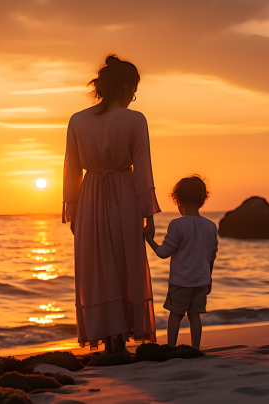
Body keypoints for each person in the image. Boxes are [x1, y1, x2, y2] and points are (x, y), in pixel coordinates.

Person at [63, 55, 161, 353]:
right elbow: (143, 169)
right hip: (124, 192)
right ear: (127, 87)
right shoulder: (135, 119)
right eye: (134, 91)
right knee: (124, 263)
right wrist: (149, 213)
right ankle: (120, 341)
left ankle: (109, 342)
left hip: (90, 195)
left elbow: (71, 170)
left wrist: (73, 209)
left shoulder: (78, 120)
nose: (134, 98)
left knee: (97, 267)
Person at [144, 175, 218, 349]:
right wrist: (209, 278)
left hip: (180, 282)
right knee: (195, 315)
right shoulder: (211, 226)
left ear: (178, 200)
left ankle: (171, 347)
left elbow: (163, 253)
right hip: (201, 281)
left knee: (175, 314)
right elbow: (211, 256)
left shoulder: (177, 225)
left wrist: (149, 240)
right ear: (203, 200)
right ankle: (195, 349)